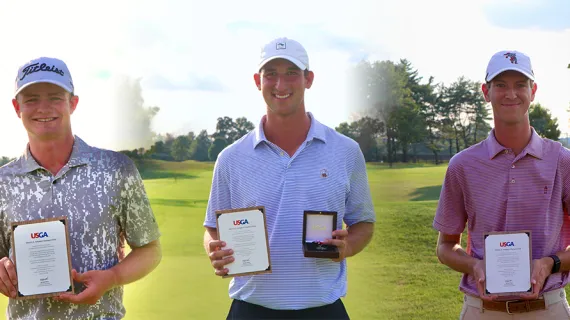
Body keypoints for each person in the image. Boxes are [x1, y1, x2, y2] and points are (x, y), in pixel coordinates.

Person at [202, 37, 376, 319]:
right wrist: (215, 249)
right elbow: (213, 227)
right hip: (251, 310)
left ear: (309, 79)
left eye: (291, 73)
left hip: (323, 310)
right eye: (271, 74)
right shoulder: (230, 158)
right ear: (258, 81)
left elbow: (364, 224)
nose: (280, 85)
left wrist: (348, 247)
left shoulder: (346, 151)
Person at [0, 57, 162, 319]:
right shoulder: (3, 183)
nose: (43, 108)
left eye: (54, 97)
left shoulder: (115, 169)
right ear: (16, 107)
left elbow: (150, 250)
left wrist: (112, 277)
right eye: (31, 99)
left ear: (72, 103)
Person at [433, 50, 570, 319]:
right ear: (486, 91)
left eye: (520, 85)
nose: (511, 94)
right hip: (482, 310)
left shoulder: (562, 161)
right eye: (500, 85)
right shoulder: (462, 165)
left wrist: (549, 263)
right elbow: (445, 247)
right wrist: (475, 266)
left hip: (548, 308)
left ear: (533, 91)